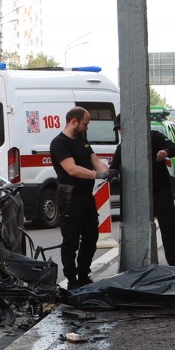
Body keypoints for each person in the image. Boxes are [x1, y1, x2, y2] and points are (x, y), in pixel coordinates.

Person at [50, 107, 108, 288]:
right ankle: (72, 280)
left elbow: (95, 160)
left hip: (85, 196)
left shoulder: (82, 141)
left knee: (91, 237)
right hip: (69, 196)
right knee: (71, 240)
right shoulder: (60, 143)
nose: (87, 127)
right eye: (85, 123)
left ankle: (83, 275)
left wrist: (107, 171)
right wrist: (97, 175)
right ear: (73, 121)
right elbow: (71, 169)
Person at [147, 123, 175, 267]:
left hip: (160, 190)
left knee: (169, 229)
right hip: (140, 195)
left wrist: (165, 152)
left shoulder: (154, 136)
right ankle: (143, 268)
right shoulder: (124, 146)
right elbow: (115, 167)